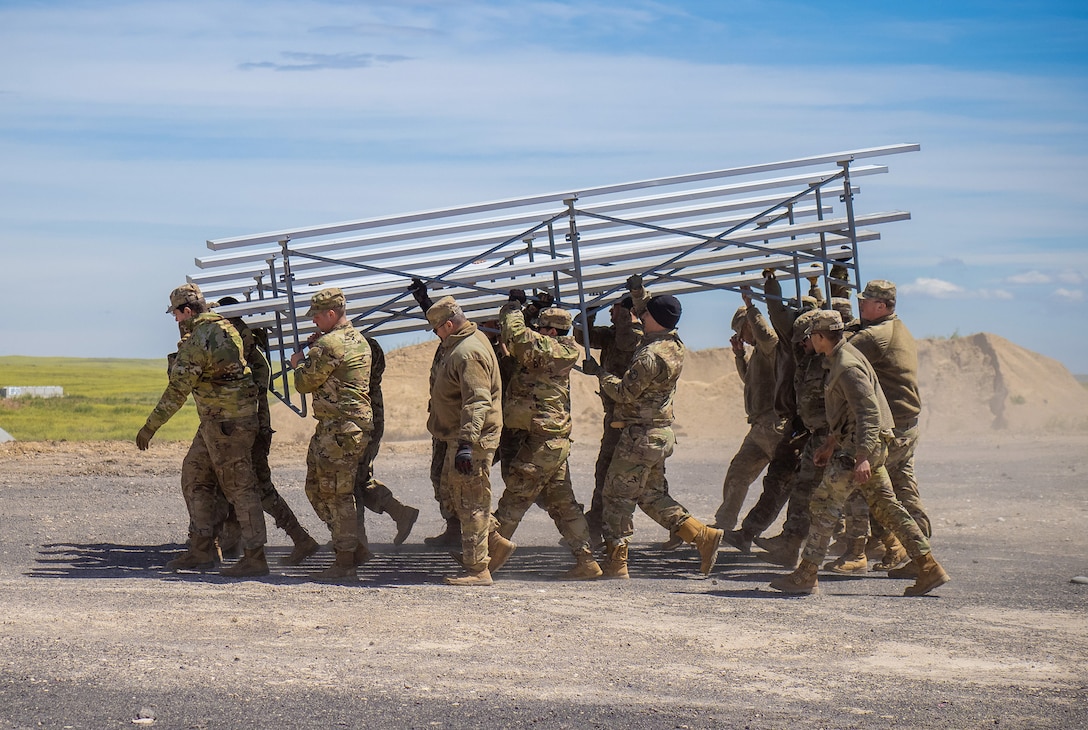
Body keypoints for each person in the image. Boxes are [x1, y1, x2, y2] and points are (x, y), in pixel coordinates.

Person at [769, 310, 949, 596]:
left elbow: (868, 412)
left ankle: (806, 575)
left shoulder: (847, 365)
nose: (809, 343)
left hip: (859, 449)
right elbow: (846, 411)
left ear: (819, 337)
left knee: (823, 504)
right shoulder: (841, 358)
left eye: (811, 337)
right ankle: (928, 566)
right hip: (858, 445)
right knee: (887, 507)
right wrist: (830, 444)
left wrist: (862, 456)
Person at [583, 294, 724, 578]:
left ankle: (616, 562)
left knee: (615, 496)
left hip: (640, 436)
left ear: (657, 319)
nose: (641, 319)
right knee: (650, 496)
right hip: (658, 435)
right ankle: (702, 536)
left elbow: (623, 392)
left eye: (646, 315)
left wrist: (600, 373)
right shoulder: (675, 346)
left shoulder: (650, 355)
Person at [136, 283, 269, 578]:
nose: (175, 320)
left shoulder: (200, 339)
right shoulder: (224, 328)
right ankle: (202, 549)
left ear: (186, 311)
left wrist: (150, 427)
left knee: (240, 487)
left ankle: (255, 556)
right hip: (220, 421)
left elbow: (177, 389)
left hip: (227, 423)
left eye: (177, 315)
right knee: (194, 474)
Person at [490, 291, 602, 580]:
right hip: (549, 440)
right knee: (562, 503)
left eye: (540, 327)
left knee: (514, 497)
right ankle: (587, 561)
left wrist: (513, 308)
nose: (537, 331)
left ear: (551, 332)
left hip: (543, 440)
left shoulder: (556, 349)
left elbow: (516, 336)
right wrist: (532, 309)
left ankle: (486, 557)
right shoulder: (551, 347)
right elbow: (525, 341)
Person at [213, 296, 321, 567]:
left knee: (257, 486)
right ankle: (232, 540)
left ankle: (299, 538)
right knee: (240, 484)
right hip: (253, 424)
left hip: (251, 426)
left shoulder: (239, 347)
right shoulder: (249, 346)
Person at [846, 279, 931, 578]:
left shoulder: (875, 336)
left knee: (866, 485)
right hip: (907, 424)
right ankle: (917, 555)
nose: (861, 304)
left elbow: (838, 352)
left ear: (881, 306)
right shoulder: (896, 327)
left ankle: (866, 551)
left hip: (892, 428)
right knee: (904, 490)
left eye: (866, 301)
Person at [291, 288, 373, 582]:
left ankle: (345, 560)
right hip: (340, 427)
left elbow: (304, 383)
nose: (313, 321)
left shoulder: (329, 345)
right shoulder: (357, 340)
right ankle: (351, 547)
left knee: (337, 494)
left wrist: (298, 363)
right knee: (317, 488)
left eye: (316, 315)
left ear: (331, 313)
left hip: (340, 428)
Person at [425, 296, 504, 586]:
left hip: (473, 437)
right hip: (459, 436)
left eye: (437, 329)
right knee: (456, 495)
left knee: (472, 500)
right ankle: (494, 542)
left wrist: (467, 444)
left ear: (448, 324)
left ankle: (478, 569)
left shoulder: (467, 352)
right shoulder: (464, 341)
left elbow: (477, 400)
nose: (436, 335)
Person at [574, 275, 650, 547]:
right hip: (616, 417)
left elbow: (627, 339)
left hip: (629, 420)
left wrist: (626, 314)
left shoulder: (635, 335)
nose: (610, 312)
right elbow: (582, 335)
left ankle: (684, 529)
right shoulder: (612, 334)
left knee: (635, 484)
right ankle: (595, 526)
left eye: (613, 307)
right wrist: (589, 313)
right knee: (606, 473)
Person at [711, 289, 786, 530]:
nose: (740, 337)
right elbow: (750, 381)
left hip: (775, 425)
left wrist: (751, 307)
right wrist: (739, 355)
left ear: (749, 326)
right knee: (739, 472)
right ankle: (724, 522)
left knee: (787, 481)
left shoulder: (770, 346)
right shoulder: (757, 354)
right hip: (760, 426)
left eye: (740, 331)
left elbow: (765, 334)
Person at [352, 334, 419, 555]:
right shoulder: (368, 351)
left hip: (362, 429)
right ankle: (400, 513)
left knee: (350, 484)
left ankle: (357, 543)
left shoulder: (356, 362)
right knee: (359, 479)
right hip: (370, 426)